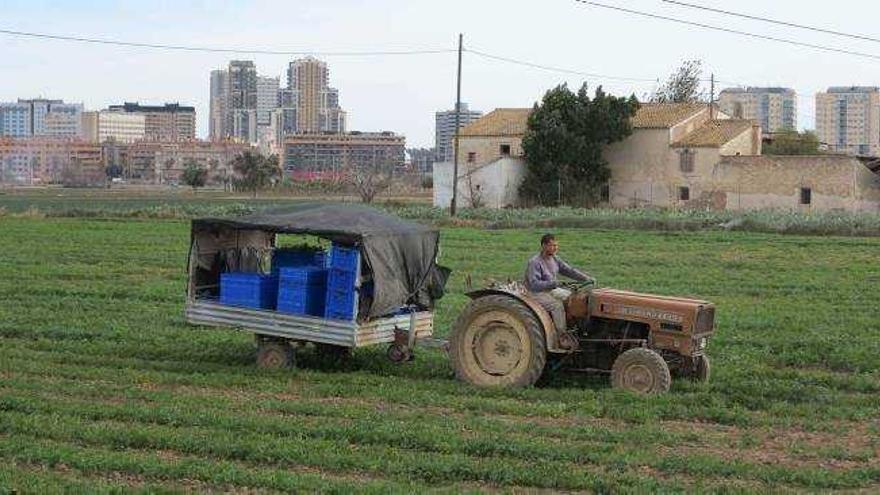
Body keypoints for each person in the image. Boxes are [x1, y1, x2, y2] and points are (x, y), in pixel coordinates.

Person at [524, 233, 594, 332]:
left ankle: (575, 327)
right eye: (552, 245)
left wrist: (585, 278)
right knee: (557, 305)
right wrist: (554, 283)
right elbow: (534, 284)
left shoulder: (555, 258)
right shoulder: (535, 262)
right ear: (544, 246)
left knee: (573, 298)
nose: (555, 248)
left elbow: (568, 270)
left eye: (556, 245)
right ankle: (562, 334)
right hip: (535, 293)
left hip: (551, 289)